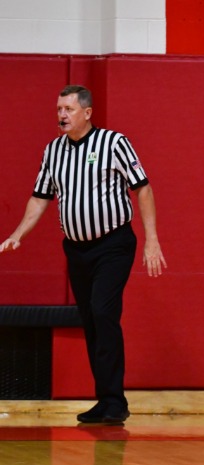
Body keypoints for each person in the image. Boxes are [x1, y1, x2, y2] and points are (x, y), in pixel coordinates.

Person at [0, 85, 167, 424]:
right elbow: (40, 197)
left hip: (113, 244)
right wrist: (18, 233)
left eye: (68, 109)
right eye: (59, 109)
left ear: (87, 113)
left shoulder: (114, 143)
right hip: (77, 249)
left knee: (103, 311)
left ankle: (115, 401)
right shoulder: (53, 151)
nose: (61, 115)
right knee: (91, 320)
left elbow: (143, 188)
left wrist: (152, 240)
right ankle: (106, 400)